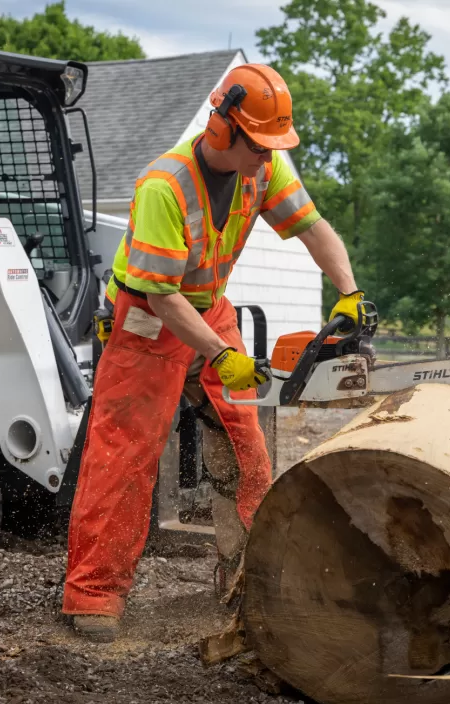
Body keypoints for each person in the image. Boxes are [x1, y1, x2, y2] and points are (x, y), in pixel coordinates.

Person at [62, 62, 371, 642]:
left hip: (210, 307)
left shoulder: (266, 166)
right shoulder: (164, 186)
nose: (267, 155)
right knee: (126, 454)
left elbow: (314, 229)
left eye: (274, 145)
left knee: (245, 440)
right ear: (223, 128)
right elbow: (161, 295)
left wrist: (349, 292)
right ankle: (93, 593)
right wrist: (220, 354)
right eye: (260, 144)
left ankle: (244, 575)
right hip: (150, 319)